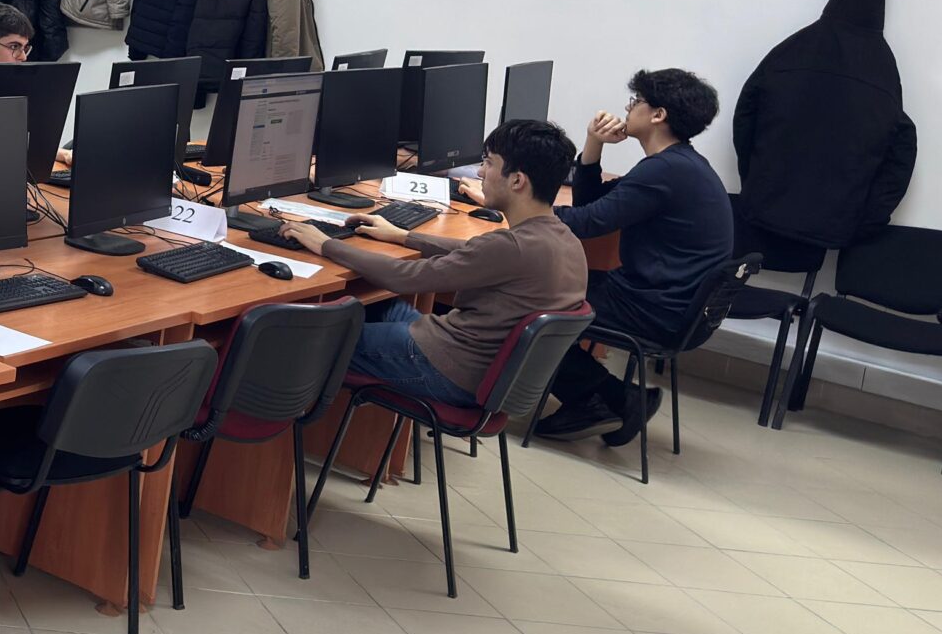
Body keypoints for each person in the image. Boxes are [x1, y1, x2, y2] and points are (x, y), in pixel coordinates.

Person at [279, 118, 586, 409]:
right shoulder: (563, 239)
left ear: (517, 180)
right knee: (377, 307)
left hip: (447, 369)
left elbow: (404, 277)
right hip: (484, 371)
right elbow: (472, 251)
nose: (480, 173)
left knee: (305, 340)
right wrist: (403, 236)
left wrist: (325, 243)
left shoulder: (511, 247)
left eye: (489, 163)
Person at [539, 67, 734, 445]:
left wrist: (515, 209)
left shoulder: (666, 170)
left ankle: (609, 398)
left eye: (637, 101)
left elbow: (587, 222)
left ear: (658, 115)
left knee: (527, 300)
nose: (628, 108)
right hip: (675, 307)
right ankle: (610, 398)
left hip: (655, 310)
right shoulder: (678, 164)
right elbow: (591, 206)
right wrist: (593, 144)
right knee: (547, 286)